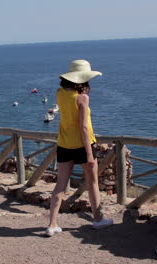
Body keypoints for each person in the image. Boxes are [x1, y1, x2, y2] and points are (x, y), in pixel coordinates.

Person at [46, 60, 113, 237]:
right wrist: (90, 155)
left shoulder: (59, 93)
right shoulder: (82, 98)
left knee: (60, 186)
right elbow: (84, 127)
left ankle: (52, 224)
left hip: (64, 144)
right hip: (83, 145)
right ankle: (98, 219)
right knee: (92, 183)